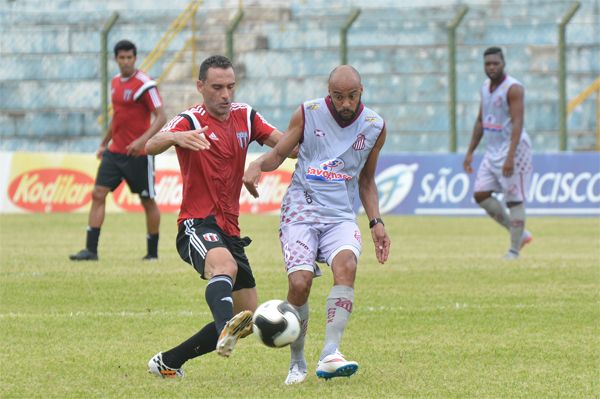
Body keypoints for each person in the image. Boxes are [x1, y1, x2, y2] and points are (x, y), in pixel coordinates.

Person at [243, 65, 391, 385]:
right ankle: (297, 362)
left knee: (347, 265)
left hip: (340, 215)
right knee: (299, 284)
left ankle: (330, 353)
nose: (345, 104)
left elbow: (366, 180)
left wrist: (376, 222)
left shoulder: (375, 126)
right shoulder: (308, 113)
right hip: (301, 210)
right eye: (338, 97)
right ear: (329, 93)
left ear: (361, 92)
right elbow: (280, 153)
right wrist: (257, 165)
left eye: (351, 96)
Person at [145, 55, 287, 378]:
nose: (226, 95)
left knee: (247, 316)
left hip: (230, 228)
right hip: (196, 223)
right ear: (200, 87)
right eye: (218, 87)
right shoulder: (189, 121)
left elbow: (287, 147)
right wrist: (175, 137)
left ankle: (168, 361)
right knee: (225, 268)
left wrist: (261, 163)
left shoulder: (246, 116)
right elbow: (151, 145)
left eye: (231, 87)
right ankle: (225, 327)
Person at [70, 40, 166, 261]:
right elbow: (118, 118)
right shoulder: (115, 83)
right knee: (98, 194)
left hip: (139, 155)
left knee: (148, 201)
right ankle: (91, 251)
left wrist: (142, 141)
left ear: (135, 58)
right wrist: (104, 143)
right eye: (121, 58)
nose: (125, 62)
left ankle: (152, 254)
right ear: (116, 59)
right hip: (116, 152)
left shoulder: (145, 84)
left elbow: (161, 117)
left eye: (129, 57)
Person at [463, 47, 533, 260]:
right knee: (481, 194)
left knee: (514, 200)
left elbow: (518, 122)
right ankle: (519, 233)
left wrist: (510, 157)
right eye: (488, 64)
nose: (492, 67)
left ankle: (514, 251)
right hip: (492, 151)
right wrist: (470, 152)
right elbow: (480, 121)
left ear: (504, 64)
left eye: (496, 63)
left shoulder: (513, 88)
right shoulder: (485, 87)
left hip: (515, 150)